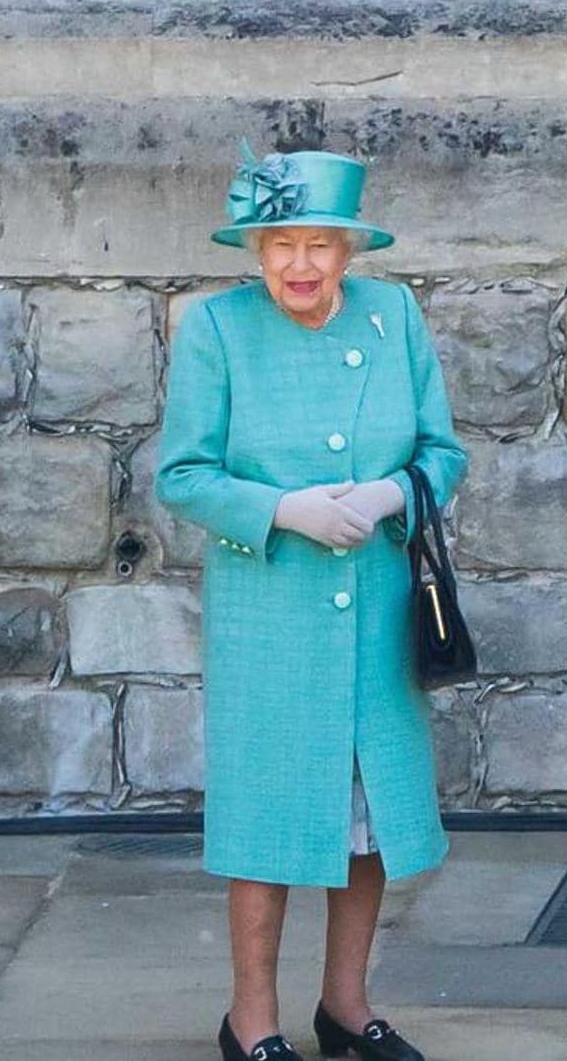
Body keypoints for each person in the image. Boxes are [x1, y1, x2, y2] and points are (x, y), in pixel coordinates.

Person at [155, 144, 467, 1061]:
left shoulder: (395, 313)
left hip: (375, 610)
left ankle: (346, 1006)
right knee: (268, 822)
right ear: (255, 250)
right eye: (280, 243)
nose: (298, 264)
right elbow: (181, 476)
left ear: (348, 251)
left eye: (319, 245)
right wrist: (280, 510)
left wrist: (392, 495)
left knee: (365, 821)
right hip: (271, 614)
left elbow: (443, 453)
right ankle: (250, 1020)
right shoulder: (218, 329)